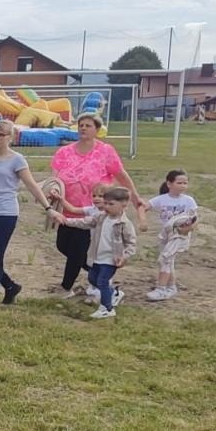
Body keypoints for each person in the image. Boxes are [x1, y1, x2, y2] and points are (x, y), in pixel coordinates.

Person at [49, 113, 143, 296]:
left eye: (88, 125)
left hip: (94, 212)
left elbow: (121, 175)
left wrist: (135, 197)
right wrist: (53, 190)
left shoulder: (105, 151)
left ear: (97, 130)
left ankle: (67, 287)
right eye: (81, 125)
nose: (83, 128)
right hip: (68, 209)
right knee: (63, 245)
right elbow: (54, 177)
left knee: (76, 250)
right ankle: (100, 272)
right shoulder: (64, 152)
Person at [0, 121, 50, 308]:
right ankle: (10, 286)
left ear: (10, 137)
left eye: (1, 135)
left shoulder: (17, 160)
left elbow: (31, 185)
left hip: (6, 213)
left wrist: (48, 207)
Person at [51, 187, 137, 319]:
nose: (106, 206)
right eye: (105, 203)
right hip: (96, 256)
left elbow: (131, 243)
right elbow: (84, 222)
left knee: (102, 281)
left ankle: (107, 308)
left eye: (111, 204)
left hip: (111, 259)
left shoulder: (125, 224)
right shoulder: (101, 217)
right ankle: (114, 293)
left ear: (124, 205)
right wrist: (66, 221)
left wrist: (124, 257)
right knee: (92, 278)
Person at [145, 170, 199, 302]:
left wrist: (188, 229)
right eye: (179, 183)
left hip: (179, 235)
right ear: (169, 184)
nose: (183, 186)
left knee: (165, 259)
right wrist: (142, 220)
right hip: (166, 234)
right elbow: (144, 207)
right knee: (169, 261)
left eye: (185, 183)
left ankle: (161, 289)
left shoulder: (188, 200)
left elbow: (195, 218)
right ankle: (171, 287)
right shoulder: (162, 199)